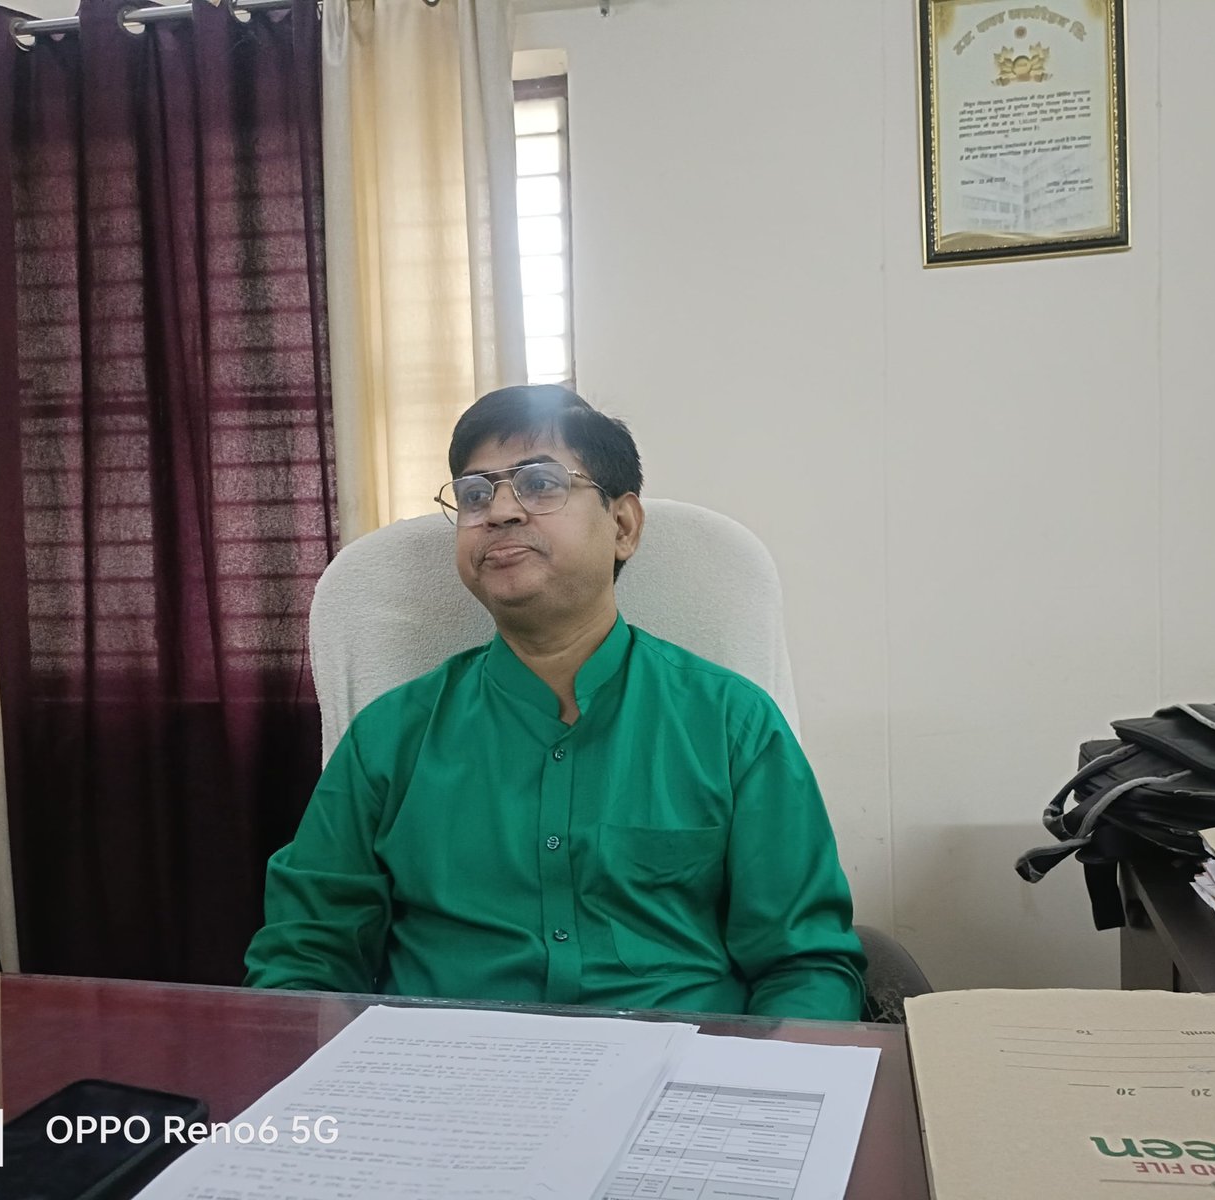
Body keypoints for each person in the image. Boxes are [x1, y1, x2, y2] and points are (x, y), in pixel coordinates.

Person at [244, 385, 866, 1020]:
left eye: (540, 484)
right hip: (444, 1069)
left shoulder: (732, 724)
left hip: (687, 1065)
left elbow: (804, 964)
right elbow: (304, 957)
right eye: (474, 495)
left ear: (622, 526)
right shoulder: (390, 736)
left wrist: (764, 1077)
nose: (499, 512)